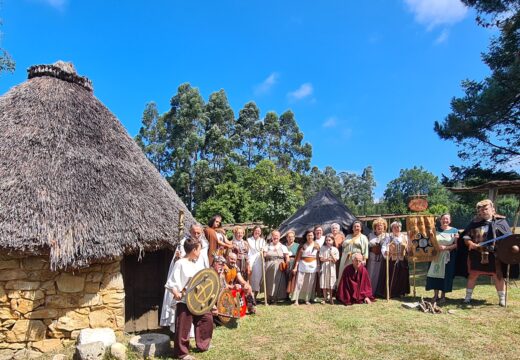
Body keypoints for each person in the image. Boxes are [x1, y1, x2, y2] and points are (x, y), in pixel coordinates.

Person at [165, 238, 213, 360]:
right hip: (185, 301)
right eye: (199, 249)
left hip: (197, 300)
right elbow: (171, 282)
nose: (200, 251)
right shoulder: (180, 263)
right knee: (183, 327)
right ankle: (182, 353)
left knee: (206, 319)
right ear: (193, 250)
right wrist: (176, 292)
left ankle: (203, 344)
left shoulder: (195, 263)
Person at [459, 199, 512, 306]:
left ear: (493, 209)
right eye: (481, 210)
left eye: (486, 209)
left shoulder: (501, 222)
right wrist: (470, 244)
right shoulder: (474, 222)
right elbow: (466, 237)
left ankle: (502, 299)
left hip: (495, 254)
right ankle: (468, 297)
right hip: (477, 253)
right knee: (473, 274)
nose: (483, 211)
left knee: (498, 276)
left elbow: (509, 239)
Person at [161, 224, 208, 329]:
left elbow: (205, 261)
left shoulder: (204, 244)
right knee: (184, 315)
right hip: (184, 282)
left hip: (198, 281)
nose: (196, 235)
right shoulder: (183, 244)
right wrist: (177, 258)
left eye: (198, 233)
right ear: (190, 232)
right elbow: (178, 266)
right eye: (194, 232)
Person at [426, 213, 459, 304]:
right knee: (435, 274)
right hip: (436, 255)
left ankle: (443, 296)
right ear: (440, 220)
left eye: (447, 219)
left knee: (445, 275)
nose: (445, 221)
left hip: (447, 256)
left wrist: (446, 248)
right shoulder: (435, 230)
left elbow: (456, 244)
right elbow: (430, 241)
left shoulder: (454, 230)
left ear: (450, 220)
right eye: (443, 219)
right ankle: (435, 295)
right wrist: (436, 247)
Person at [376, 221, 410, 298]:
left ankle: (401, 292)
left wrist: (409, 251)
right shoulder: (389, 238)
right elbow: (384, 246)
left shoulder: (404, 237)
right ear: (392, 229)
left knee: (402, 276)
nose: (396, 229)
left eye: (398, 227)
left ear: (400, 228)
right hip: (391, 259)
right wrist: (385, 252)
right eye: (394, 227)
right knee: (392, 276)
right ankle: (392, 292)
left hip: (402, 259)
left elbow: (408, 247)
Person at [291, 229, 319, 305]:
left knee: (309, 283)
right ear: (306, 236)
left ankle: (307, 299)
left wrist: (318, 267)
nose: (310, 237)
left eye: (311, 235)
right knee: (299, 282)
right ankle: (296, 299)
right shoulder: (302, 245)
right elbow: (298, 258)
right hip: (302, 265)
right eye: (308, 235)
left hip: (313, 266)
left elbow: (318, 257)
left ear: (314, 236)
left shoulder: (316, 245)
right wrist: (295, 267)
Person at [263, 230, 290, 303]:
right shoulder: (267, 246)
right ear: (271, 237)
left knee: (278, 281)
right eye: (274, 236)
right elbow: (264, 255)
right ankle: (269, 297)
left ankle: (277, 297)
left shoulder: (283, 246)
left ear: (279, 237)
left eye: (277, 236)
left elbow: (287, 257)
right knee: (269, 281)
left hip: (279, 266)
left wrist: (286, 264)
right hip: (269, 265)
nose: (275, 237)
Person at [367, 218, 388, 297]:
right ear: (375, 227)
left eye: (381, 225)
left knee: (380, 274)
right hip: (372, 257)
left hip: (381, 258)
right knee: (370, 274)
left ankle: (378, 292)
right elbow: (367, 246)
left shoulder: (387, 236)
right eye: (378, 226)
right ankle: (369, 291)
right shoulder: (370, 235)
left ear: (384, 227)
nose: (380, 227)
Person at [247, 226, 266, 299]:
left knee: (258, 276)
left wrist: (263, 253)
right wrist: (248, 260)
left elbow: (264, 251)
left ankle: (255, 295)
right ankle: (249, 293)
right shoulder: (249, 240)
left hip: (259, 259)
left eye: (259, 231)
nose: (257, 232)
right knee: (250, 275)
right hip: (251, 257)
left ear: (260, 232)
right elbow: (248, 251)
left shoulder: (262, 241)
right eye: (256, 230)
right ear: (253, 231)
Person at [319, 234, 339, 304]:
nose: (328, 242)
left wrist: (332, 254)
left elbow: (335, 260)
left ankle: (331, 298)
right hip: (324, 267)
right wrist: (327, 259)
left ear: (333, 241)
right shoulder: (322, 248)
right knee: (324, 281)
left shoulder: (335, 249)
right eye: (326, 240)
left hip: (332, 267)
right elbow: (321, 258)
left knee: (331, 281)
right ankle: (324, 298)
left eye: (329, 240)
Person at [285, 230, 300, 298]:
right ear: (286, 238)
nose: (290, 238)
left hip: (294, 263)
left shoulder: (298, 246)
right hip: (284, 263)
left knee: (293, 279)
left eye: (292, 237)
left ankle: (293, 294)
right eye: (289, 237)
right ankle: (285, 294)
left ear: (294, 237)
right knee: (285, 278)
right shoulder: (283, 246)